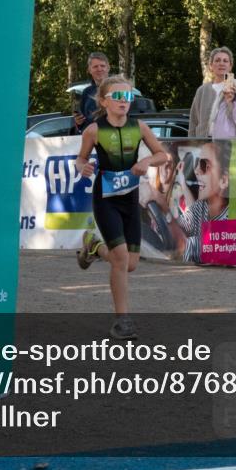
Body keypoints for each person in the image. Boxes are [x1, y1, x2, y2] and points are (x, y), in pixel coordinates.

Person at [75, 75, 169, 340]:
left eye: (127, 96)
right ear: (104, 101)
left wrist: (147, 161)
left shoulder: (139, 127)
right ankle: (122, 321)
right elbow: (80, 159)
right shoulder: (93, 130)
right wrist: (83, 167)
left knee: (131, 264)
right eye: (117, 96)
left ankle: (94, 247)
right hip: (105, 199)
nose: (123, 101)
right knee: (120, 259)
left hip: (130, 199)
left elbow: (163, 155)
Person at [167, 141, 231, 264]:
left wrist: (159, 202)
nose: (196, 170)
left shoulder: (231, 218)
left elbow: (205, 248)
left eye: (204, 165)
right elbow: (179, 226)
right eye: (197, 163)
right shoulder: (201, 206)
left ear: (223, 180)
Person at [188, 47, 236, 139]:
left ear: (230, 66)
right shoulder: (202, 90)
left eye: (225, 61)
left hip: (233, 142)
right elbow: (193, 121)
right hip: (206, 142)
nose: (221, 63)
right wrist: (192, 142)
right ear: (211, 66)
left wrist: (233, 101)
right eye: (217, 60)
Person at [75, 52, 110, 129]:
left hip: (112, 134)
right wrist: (79, 122)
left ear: (108, 68)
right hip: (91, 134)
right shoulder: (86, 92)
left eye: (102, 66)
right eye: (95, 66)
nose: (99, 69)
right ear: (89, 70)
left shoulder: (118, 88)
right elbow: (83, 121)